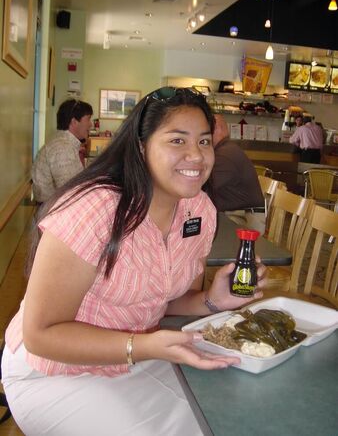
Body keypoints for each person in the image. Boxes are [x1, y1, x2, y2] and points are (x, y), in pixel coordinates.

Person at [2, 88, 266, 435]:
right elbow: (41, 335)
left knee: (221, 418)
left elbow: (158, 300)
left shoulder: (199, 210)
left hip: (137, 356)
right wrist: (141, 346)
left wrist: (211, 300)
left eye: (204, 142)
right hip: (53, 370)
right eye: (177, 141)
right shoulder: (94, 209)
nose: (196, 156)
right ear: (141, 148)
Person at [210, 113, 266, 233]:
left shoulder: (225, 154)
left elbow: (204, 187)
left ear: (217, 129)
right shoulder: (226, 149)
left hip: (245, 220)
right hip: (237, 214)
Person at [32, 99, 93, 203]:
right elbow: (71, 194)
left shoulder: (63, 143)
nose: (91, 124)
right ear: (74, 122)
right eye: (88, 119)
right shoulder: (62, 148)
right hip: (55, 211)